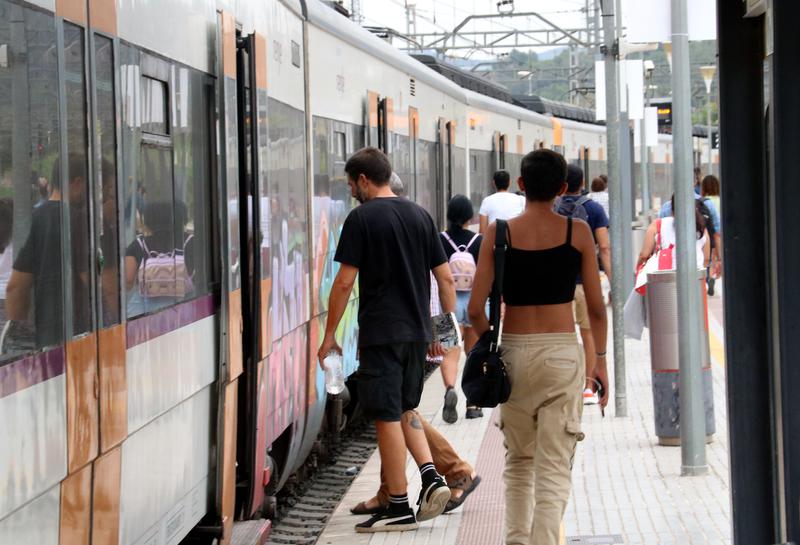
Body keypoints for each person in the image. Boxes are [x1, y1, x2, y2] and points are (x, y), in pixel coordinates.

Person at [469, 149, 608, 545]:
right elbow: (596, 309)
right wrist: (599, 362)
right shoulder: (576, 232)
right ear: (563, 189)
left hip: (512, 351)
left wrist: (489, 349)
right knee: (553, 467)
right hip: (562, 354)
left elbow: (476, 309)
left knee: (519, 463)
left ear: (521, 184)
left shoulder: (498, 233)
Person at [317, 148, 455, 533]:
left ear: (364, 180)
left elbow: (344, 282)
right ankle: (431, 478)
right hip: (416, 334)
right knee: (407, 407)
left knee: (386, 415)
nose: (351, 192)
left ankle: (397, 503)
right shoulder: (421, 215)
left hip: (382, 333)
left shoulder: (361, 219)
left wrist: (329, 335)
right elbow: (444, 279)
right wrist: (440, 334)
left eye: (351, 185)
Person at [557, 165, 611, 406]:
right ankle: (589, 386)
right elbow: (605, 247)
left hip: (559, 287)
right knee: (588, 335)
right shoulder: (595, 209)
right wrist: (613, 279)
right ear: (583, 183)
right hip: (586, 285)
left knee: (564, 337)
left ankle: (565, 386)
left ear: (563, 184)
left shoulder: (553, 208)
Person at [439, 195, 485, 421]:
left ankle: (450, 389)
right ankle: (473, 405)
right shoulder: (479, 240)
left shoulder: (440, 239)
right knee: (473, 354)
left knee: (449, 353)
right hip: (474, 303)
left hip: (447, 303)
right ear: (470, 216)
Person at [125, 200, 195, 317]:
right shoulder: (190, 241)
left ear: (148, 221)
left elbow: (128, 279)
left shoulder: (139, 243)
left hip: (145, 307)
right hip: (184, 305)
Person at [700, 175, 723, 295]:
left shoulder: (704, 202)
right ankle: (713, 276)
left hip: (707, 232)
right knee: (715, 257)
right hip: (719, 233)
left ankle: (709, 277)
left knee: (708, 257)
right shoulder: (721, 200)